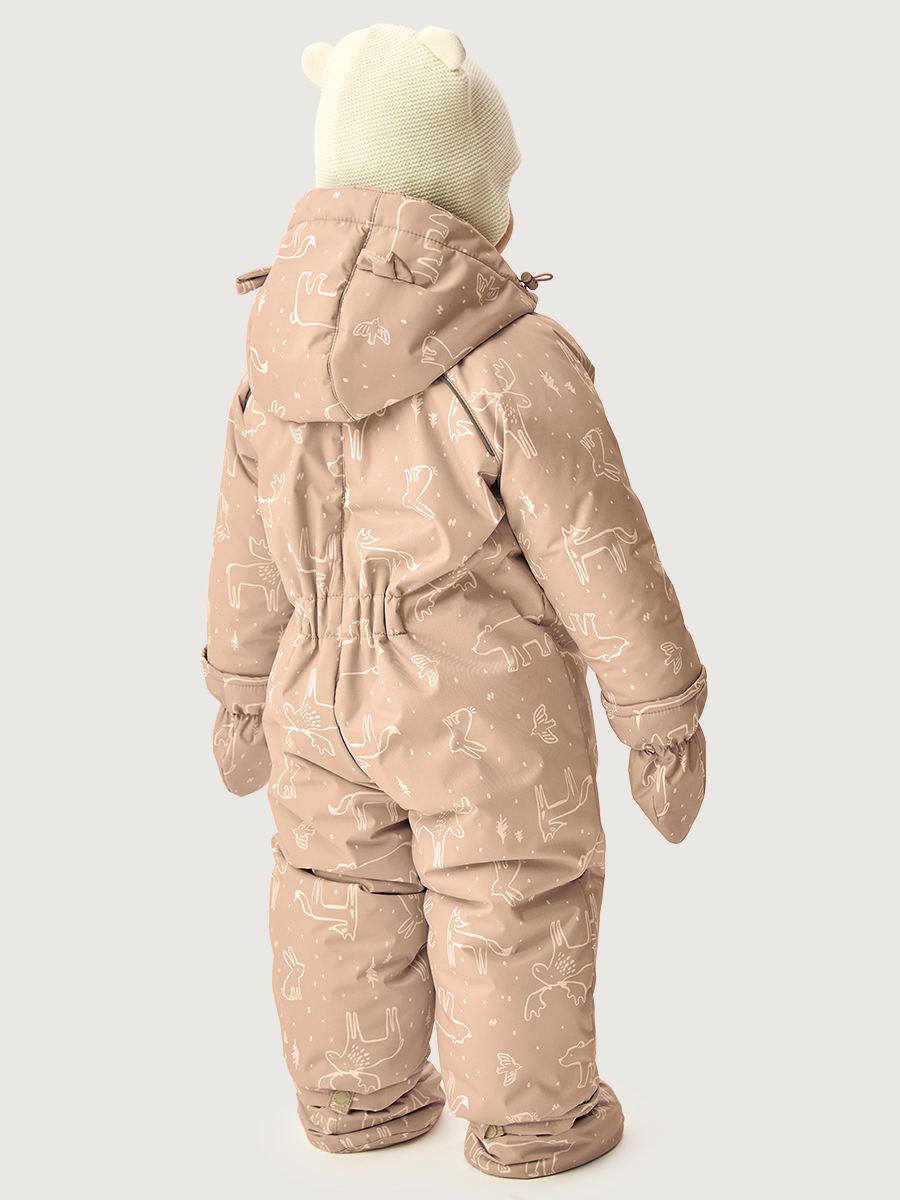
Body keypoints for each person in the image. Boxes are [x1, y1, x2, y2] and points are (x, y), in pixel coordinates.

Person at [200, 22, 708, 1181]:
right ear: (466, 199)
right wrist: (661, 714)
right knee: (507, 893)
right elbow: (598, 548)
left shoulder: (268, 352)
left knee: (334, 889)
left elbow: (243, 541)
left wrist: (239, 690)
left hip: (313, 696)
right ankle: (533, 1122)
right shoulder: (513, 360)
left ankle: (357, 1101)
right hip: (480, 703)